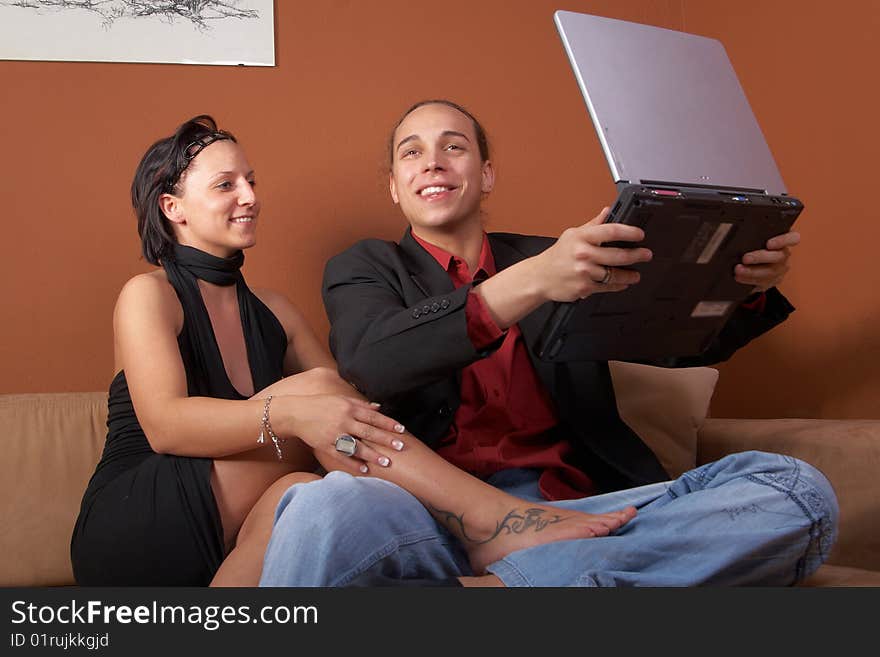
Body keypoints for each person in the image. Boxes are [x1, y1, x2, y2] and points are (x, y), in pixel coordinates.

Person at [258, 99, 839, 587]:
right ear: (394, 186)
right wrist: (531, 281)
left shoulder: (557, 254)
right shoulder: (365, 267)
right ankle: (551, 572)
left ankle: (513, 581)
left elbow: (674, 343)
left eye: (453, 146)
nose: (432, 161)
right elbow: (374, 363)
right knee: (320, 505)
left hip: (582, 513)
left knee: (795, 489)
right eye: (411, 151)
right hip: (435, 518)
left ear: (486, 174)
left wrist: (742, 285)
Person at [69, 115, 417, 586]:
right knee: (317, 394)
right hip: (136, 517)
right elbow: (166, 427)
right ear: (174, 207)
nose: (250, 197)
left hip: (233, 523)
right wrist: (295, 417)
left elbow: (349, 409)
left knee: (304, 493)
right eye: (225, 184)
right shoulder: (148, 295)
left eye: (250, 181)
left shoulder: (275, 310)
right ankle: (477, 516)